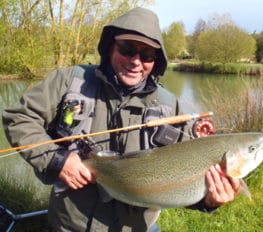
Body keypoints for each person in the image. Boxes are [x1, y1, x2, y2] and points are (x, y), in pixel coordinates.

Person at [2, 7, 240, 232]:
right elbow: (19, 118)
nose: (136, 61)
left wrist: (208, 200)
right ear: (110, 48)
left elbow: (178, 183)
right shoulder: (69, 82)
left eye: (146, 55)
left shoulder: (171, 107)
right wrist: (57, 161)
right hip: (70, 225)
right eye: (127, 49)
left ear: (156, 60)